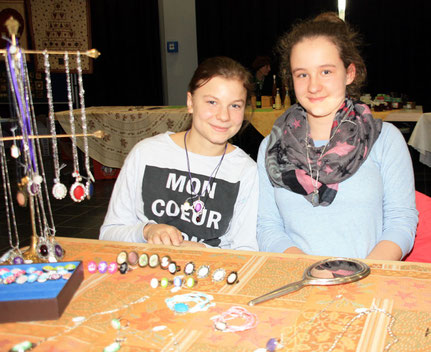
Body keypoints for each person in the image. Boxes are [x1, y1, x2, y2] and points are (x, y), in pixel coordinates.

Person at [257, 13, 418, 260]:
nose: (313, 86)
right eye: (302, 74)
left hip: (368, 283)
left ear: (349, 73)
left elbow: (401, 222)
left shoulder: (385, 140)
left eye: (326, 72)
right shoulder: (271, 147)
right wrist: (309, 272)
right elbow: (268, 227)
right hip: (298, 281)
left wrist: (361, 275)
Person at [100, 56, 259, 251]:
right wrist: (146, 231)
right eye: (212, 102)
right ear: (190, 102)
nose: (224, 116)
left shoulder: (247, 171)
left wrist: (203, 253)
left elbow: (246, 249)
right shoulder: (146, 153)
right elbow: (108, 234)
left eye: (235, 105)